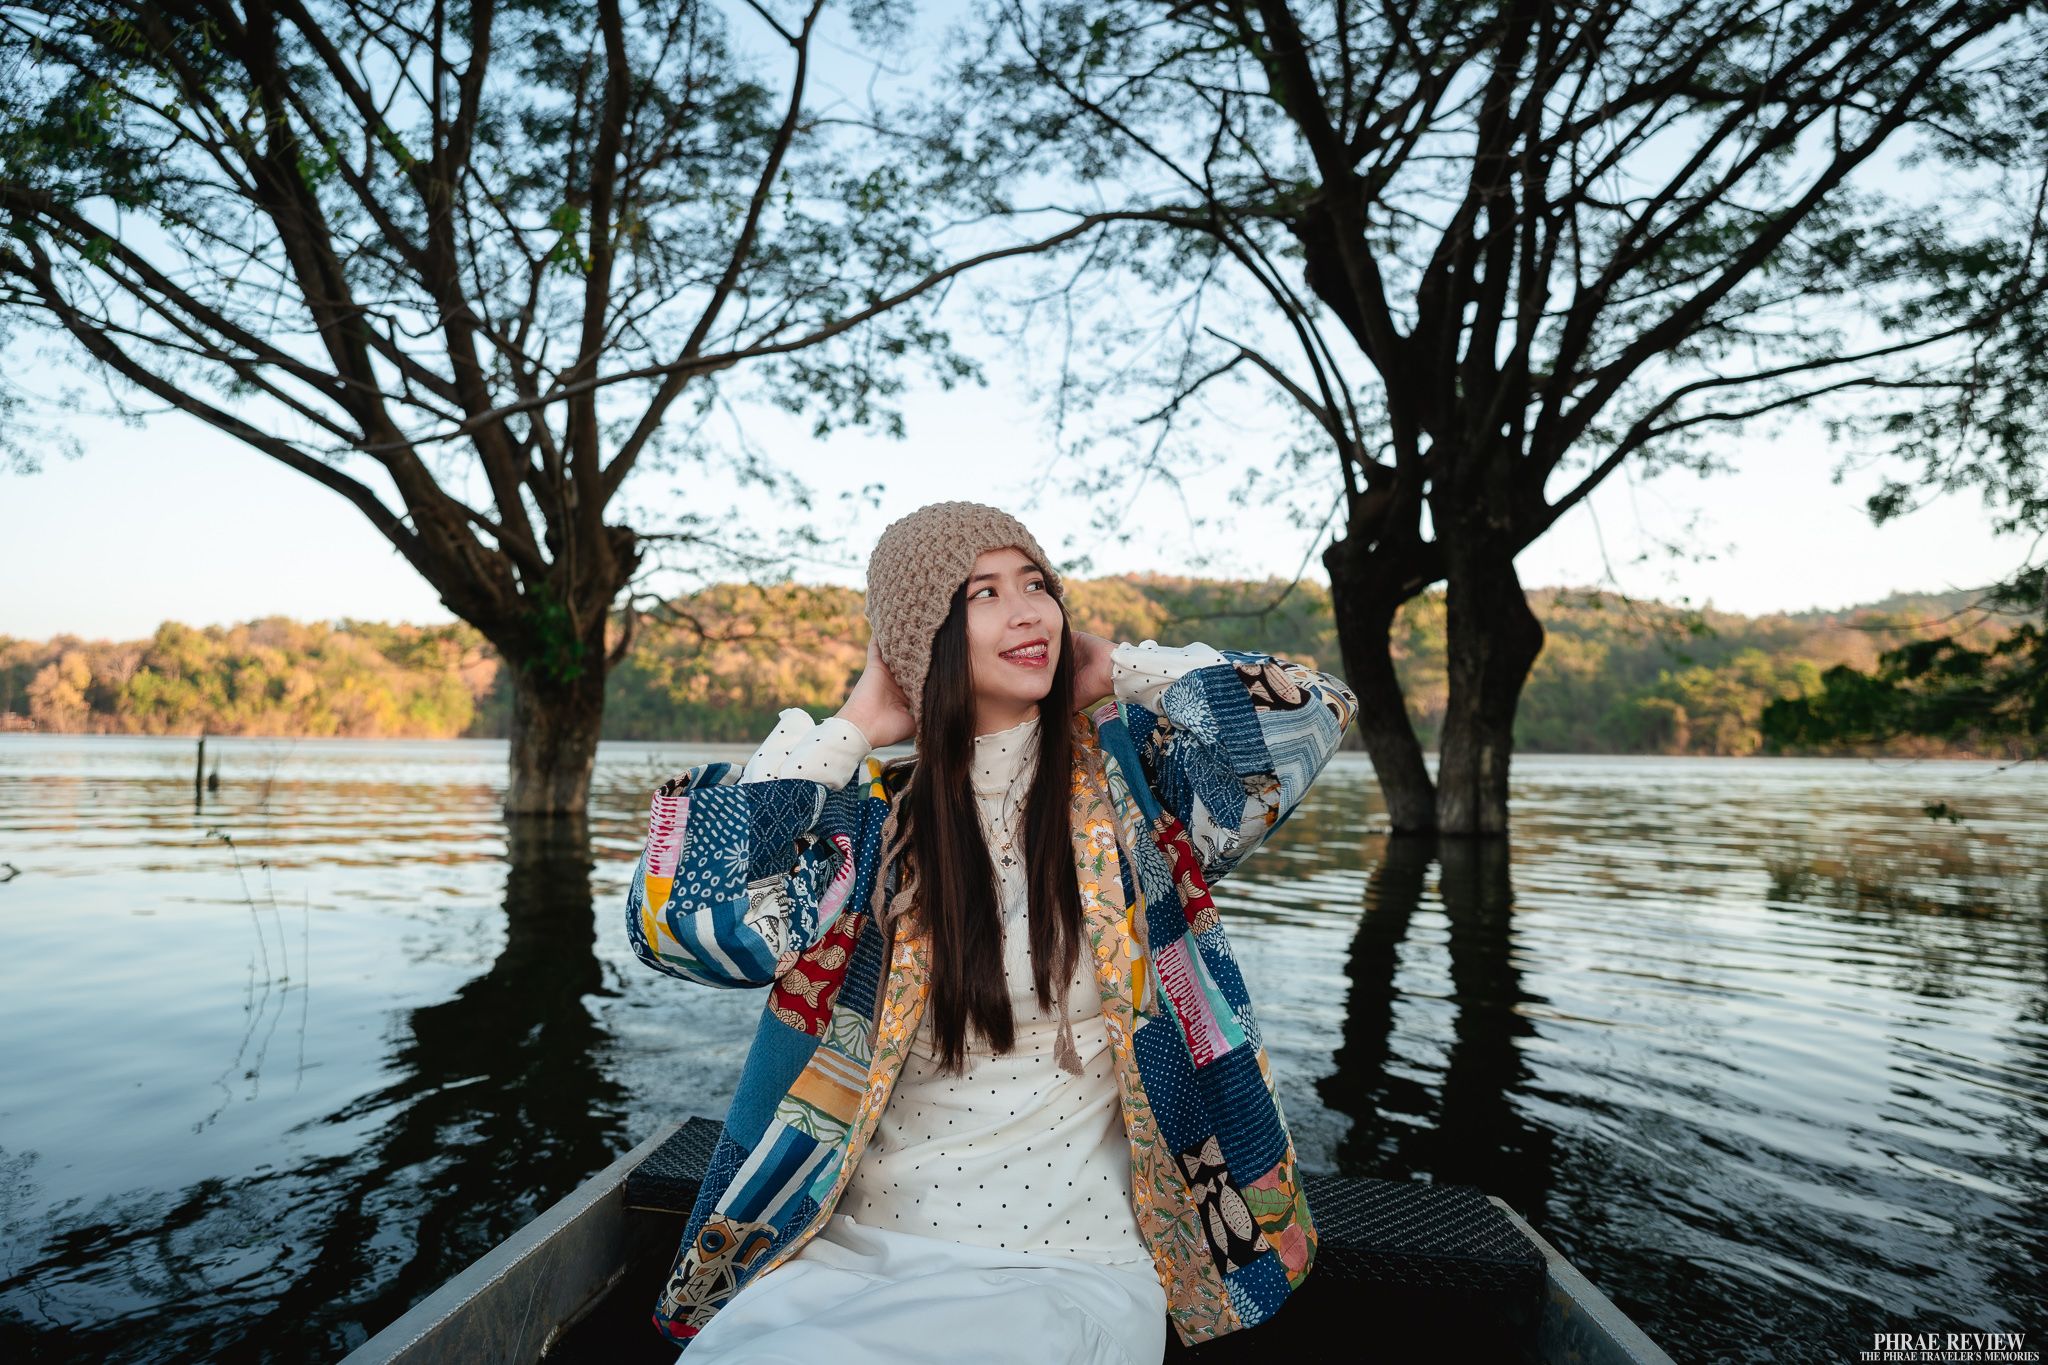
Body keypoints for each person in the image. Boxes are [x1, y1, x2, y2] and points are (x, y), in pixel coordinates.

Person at [624, 501, 1359, 1363]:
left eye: (1037, 585)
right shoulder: (870, 825)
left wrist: (1116, 665)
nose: (1027, 612)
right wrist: (852, 727)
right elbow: (686, 928)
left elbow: (1311, 718)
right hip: (851, 1246)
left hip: (1065, 1261)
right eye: (984, 593)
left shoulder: (1138, 787)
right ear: (924, 638)